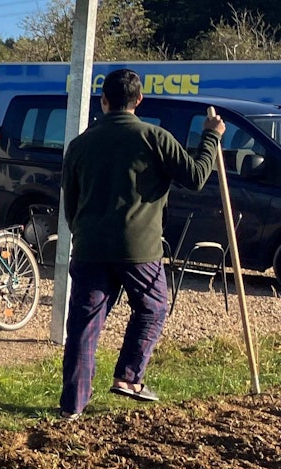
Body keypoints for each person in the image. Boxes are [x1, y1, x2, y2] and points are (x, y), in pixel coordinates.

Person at [59, 69, 223, 420]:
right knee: (153, 308)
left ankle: (72, 406)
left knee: (84, 325)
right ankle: (129, 377)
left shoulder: (79, 145)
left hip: (90, 247)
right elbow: (195, 177)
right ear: (139, 100)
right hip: (139, 249)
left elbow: (69, 201)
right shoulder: (155, 138)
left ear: (103, 101)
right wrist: (211, 138)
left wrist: (81, 231)